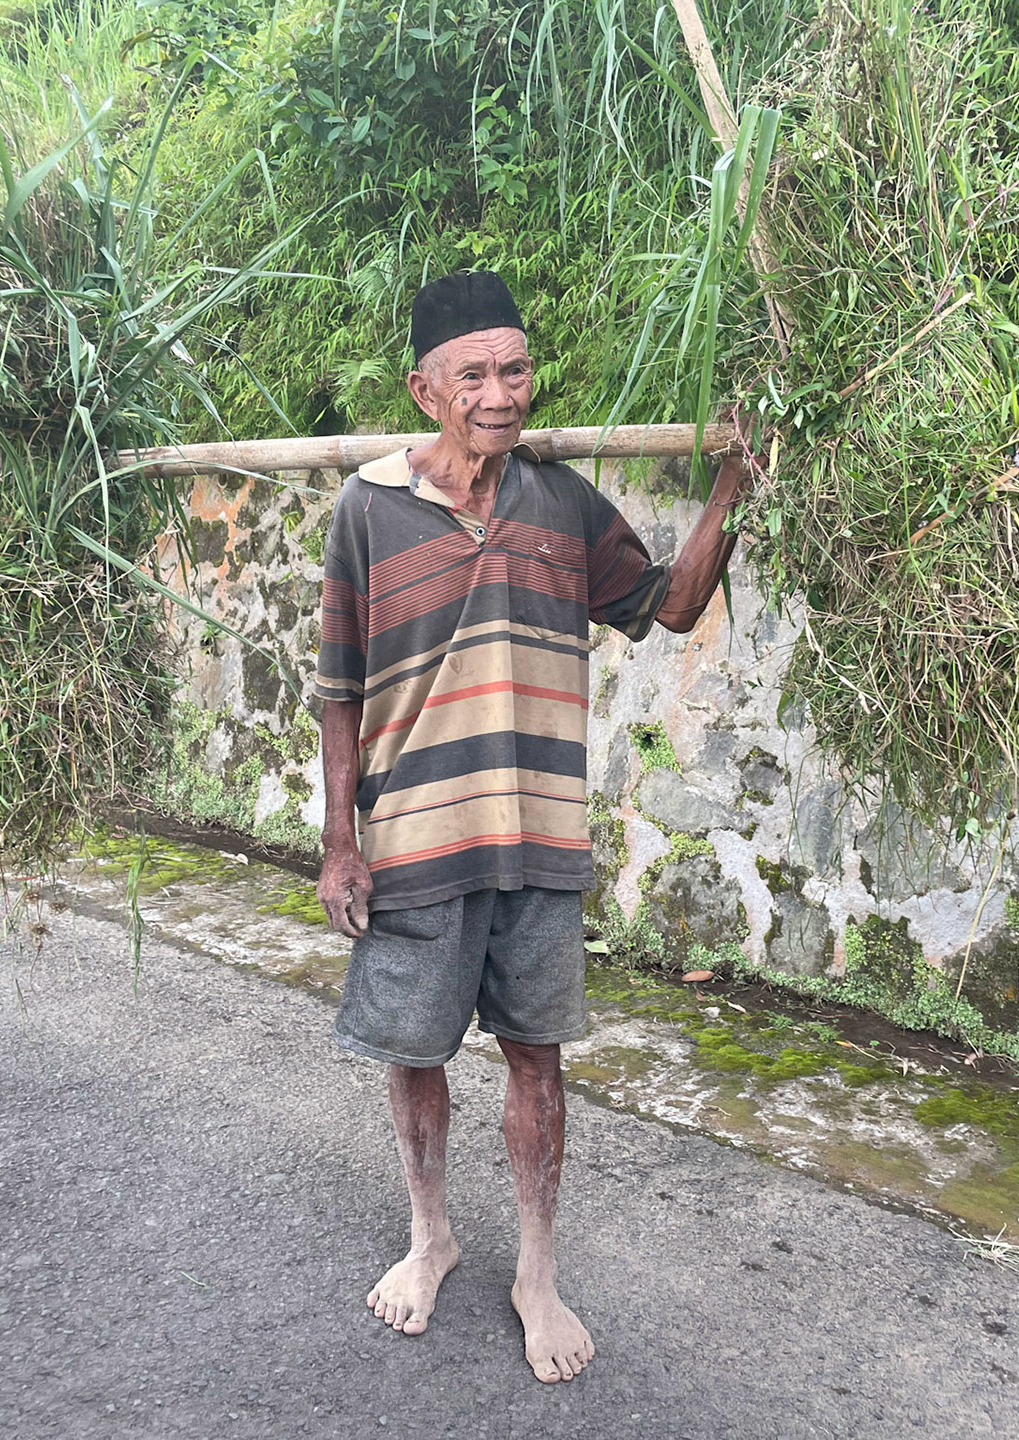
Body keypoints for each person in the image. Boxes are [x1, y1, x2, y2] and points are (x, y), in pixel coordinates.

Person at [313, 270, 751, 1384]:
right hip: (413, 834)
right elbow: (337, 689)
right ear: (426, 391)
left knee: (537, 1061)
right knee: (413, 1056)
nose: (501, 393)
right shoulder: (368, 510)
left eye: (515, 369)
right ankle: (431, 1237)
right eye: (475, 375)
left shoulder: (560, 505)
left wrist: (734, 488)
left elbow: (670, 605)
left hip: (539, 839)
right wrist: (338, 843)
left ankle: (537, 1272)